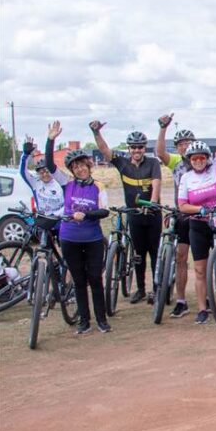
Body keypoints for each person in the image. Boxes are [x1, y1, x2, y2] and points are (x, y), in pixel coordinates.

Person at [90, 120, 162, 304]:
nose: (137, 150)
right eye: (133, 147)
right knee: (138, 254)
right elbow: (105, 150)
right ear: (128, 148)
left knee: (154, 253)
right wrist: (96, 133)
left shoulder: (153, 163)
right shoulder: (122, 163)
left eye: (140, 147)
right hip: (134, 215)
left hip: (152, 215)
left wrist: (153, 203)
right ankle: (140, 289)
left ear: (144, 147)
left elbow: (156, 184)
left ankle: (156, 289)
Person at [45, 134, 110, 334]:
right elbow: (49, 164)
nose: (80, 169)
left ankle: (101, 320)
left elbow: (104, 211)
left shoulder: (98, 186)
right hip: (69, 238)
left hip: (93, 239)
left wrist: (87, 214)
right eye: (75, 167)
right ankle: (84, 321)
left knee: (95, 279)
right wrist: (50, 140)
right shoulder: (67, 184)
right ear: (71, 170)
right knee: (79, 280)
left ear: (88, 166)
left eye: (82, 165)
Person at [176, 111, 216, 324]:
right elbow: (182, 205)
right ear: (189, 160)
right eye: (194, 158)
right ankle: (202, 309)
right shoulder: (186, 178)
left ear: (207, 158)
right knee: (200, 269)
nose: (199, 161)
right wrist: (199, 210)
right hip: (198, 225)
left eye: (202, 157)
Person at [155, 117, 195, 318]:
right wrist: (163, 128)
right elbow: (160, 153)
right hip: (182, 214)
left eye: (188, 143)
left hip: (201, 214)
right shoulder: (176, 162)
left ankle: (211, 299)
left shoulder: (203, 159)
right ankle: (181, 300)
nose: (184, 147)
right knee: (181, 257)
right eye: (180, 144)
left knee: (205, 260)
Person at [21, 135, 67, 216]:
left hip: (59, 220)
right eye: (41, 172)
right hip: (43, 220)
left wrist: (55, 214)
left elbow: (68, 203)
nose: (45, 174)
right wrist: (26, 154)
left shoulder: (59, 181)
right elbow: (23, 172)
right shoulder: (35, 183)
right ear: (38, 173)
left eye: (47, 171)